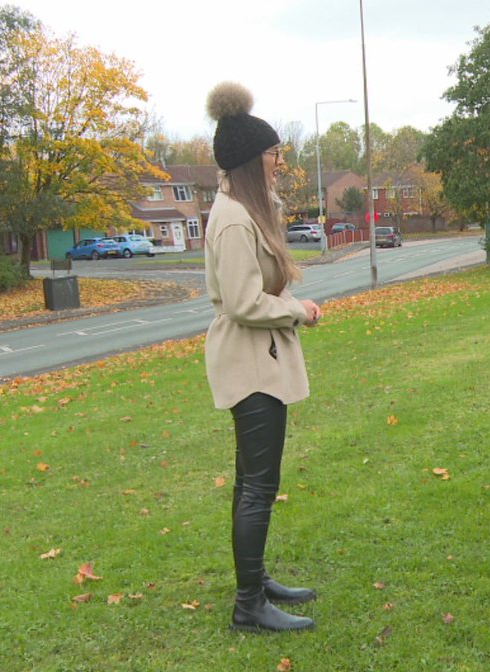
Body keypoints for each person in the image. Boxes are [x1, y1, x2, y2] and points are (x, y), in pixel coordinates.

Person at [203, 81, 323, 632]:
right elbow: (243, 300)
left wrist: (292, 306)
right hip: (249, 365)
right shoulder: (231, 218)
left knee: (250, 483)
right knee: (257, 487)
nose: (279, 162)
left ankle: (255, 581)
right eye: (274, 154)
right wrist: (296, 310)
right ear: (254, 160)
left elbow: (257, 291)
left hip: (259, 359)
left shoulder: (245, 209)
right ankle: (248, 605)